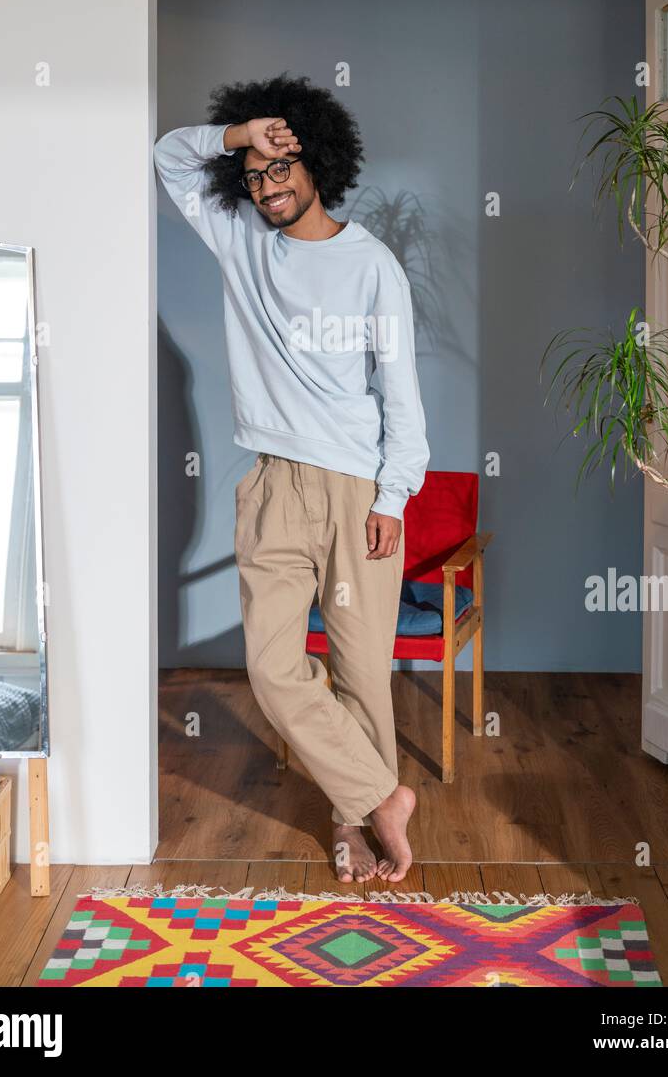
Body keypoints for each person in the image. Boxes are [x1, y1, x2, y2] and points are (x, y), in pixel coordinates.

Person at [154, 73, 430, 883]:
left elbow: (399, 390)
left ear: (317, 165)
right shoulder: (240, 238)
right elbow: (170, 158)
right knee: (275, 667)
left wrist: (393, 496)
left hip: (357, 490)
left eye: (281, 170)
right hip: (273, 485)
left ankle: (357, 826)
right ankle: (385, 796)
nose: (267, 188)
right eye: (254, 176)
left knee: (359, 675)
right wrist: (244, 135)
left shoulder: (372, 265)